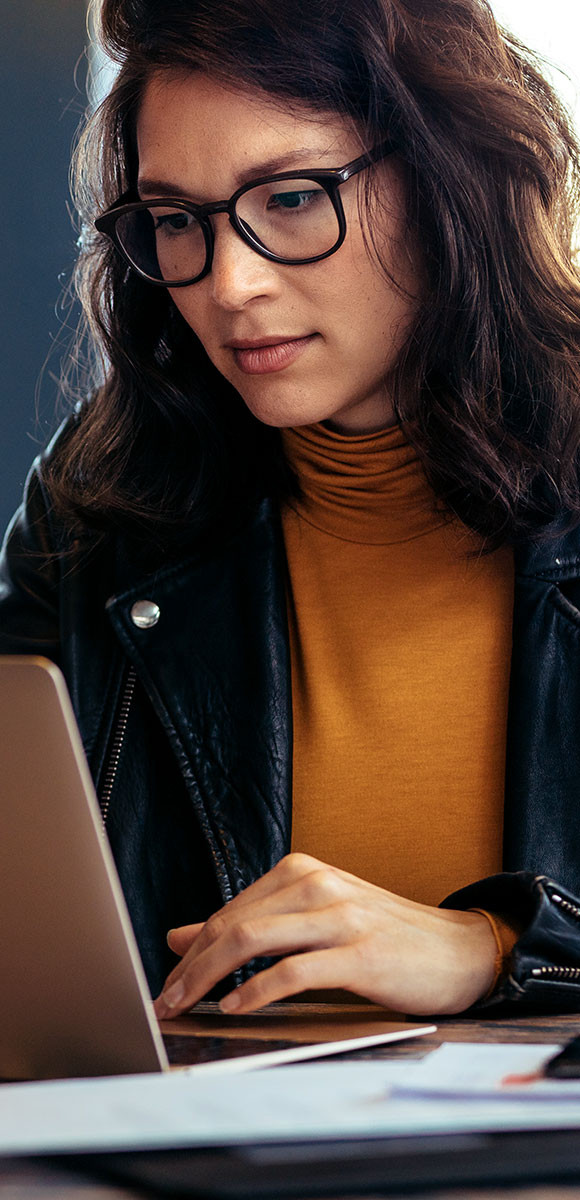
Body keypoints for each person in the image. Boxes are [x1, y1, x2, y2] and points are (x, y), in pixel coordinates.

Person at [2, 0, 580, 1022]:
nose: (231, 283)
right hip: (190, 1161)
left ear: (452, 178)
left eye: (293, 198)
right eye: (177, 222)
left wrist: (493, 947)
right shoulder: (97, 511)